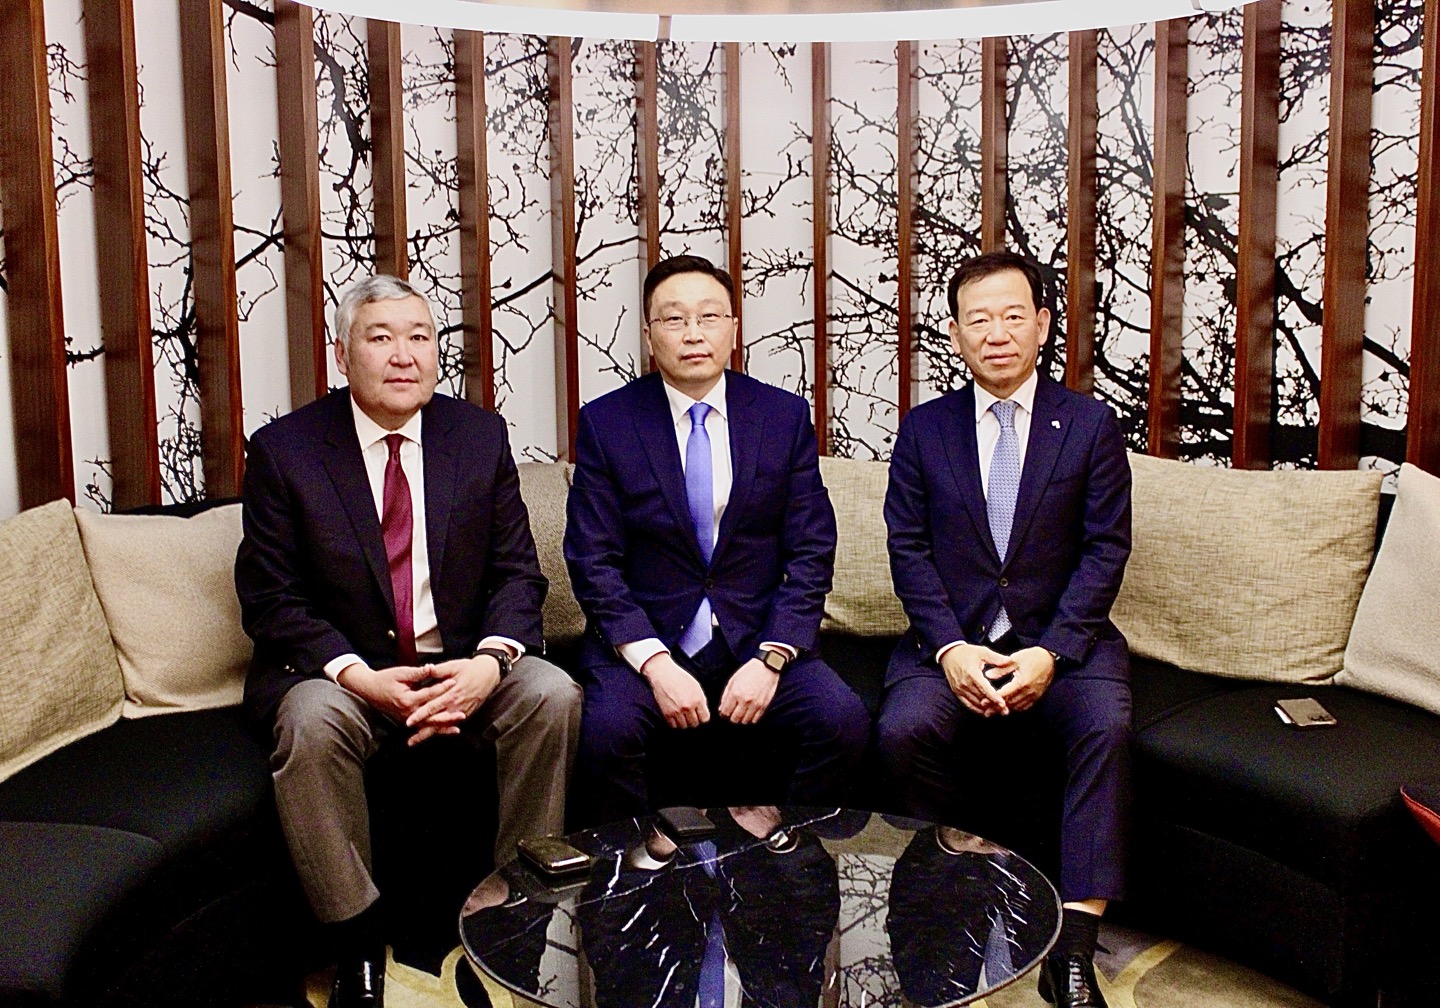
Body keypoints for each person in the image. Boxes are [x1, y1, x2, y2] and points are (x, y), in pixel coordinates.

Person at [236, 274, 581, 1008]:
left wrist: (490, 664)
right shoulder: (285, 450)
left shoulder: (476, 436)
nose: (404, 355)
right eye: (381, 337)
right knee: (309, 721)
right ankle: (356, 938)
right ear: (342, 355)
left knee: (551, 694)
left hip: (461, 662)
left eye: (420, 337)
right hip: (348, 674)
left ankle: (517, 914)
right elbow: (271, 598)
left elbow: (517, 573)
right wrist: (360, 677)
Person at [876, 251, 1132, 1008]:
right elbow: (908, 548)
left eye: (1014, 315)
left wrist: (1052, 652)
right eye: (978, 319)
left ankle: (1073, 951)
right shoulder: (924, 430)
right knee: (902, 730)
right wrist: (951, 647)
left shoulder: (1088, 425)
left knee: (1107, 726)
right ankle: (951, 894)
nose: (997, 333)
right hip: (951, 641)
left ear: (1043, 325)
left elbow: (1105, 549)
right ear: (956, 335)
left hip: (1064, 643)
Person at [564, 254, 868, 823]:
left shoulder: (781, 417)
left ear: (733, 327)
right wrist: (656, 665)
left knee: (843, 722)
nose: (693, 333)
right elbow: (592, 560)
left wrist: (772, 657)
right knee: (605, 734)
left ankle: (787, 854)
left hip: (756, 636)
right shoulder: (608, 422)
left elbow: (811, 550)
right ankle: (642, 866)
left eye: (709, 316)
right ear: (649, 335)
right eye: (674, 319)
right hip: (647, 642)